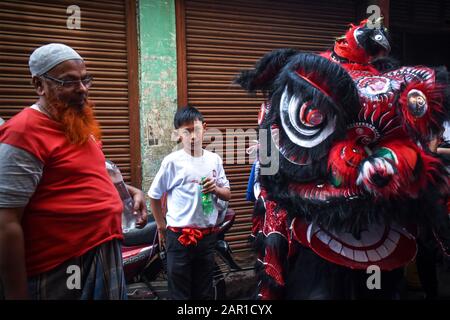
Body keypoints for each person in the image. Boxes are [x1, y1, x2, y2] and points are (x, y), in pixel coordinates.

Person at [0, 43, 147, 300]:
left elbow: (86, 174)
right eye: (68, 82)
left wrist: (129, 191)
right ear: (39, 85)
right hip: (64, 266)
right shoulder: (23, 132)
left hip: (101, 252)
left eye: (85, 80)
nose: (82, 89)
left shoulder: (76, 125)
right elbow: (6, 222)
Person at [148, 106, 231, 300]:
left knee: (204, 292)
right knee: (179, 293)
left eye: (196, 129)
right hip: (178, 238)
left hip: (207, 237)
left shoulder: (214, 160)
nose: (192, 136)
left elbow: (227, 194)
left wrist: (216, 190)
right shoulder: (172, 162)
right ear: (178, 134)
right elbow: (154, 195)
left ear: (204, 127)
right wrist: (162, 228)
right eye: (186, 131)